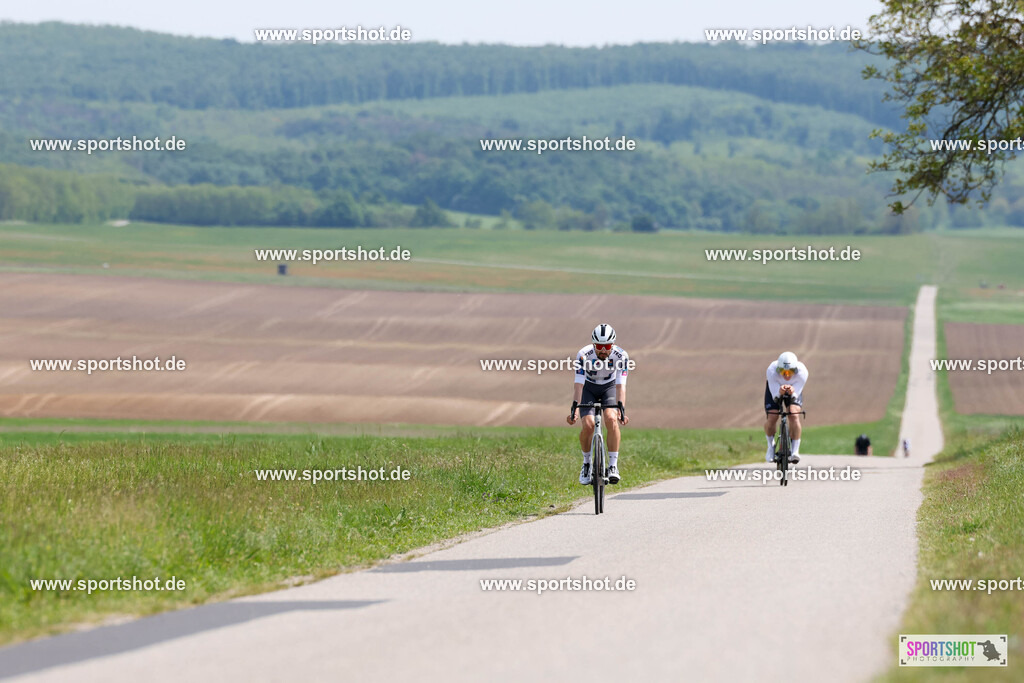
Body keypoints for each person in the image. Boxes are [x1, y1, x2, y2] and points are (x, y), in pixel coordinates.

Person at [566, 324, 630, 485]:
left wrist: (621, 409)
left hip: (608, 388)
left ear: (613, 345)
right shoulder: (583, 354)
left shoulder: (621, 356)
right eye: (599, 347)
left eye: (607, 346)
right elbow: (579, 384)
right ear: (594, 345)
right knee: (588, 425)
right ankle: (586, 463)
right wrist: (574, 408)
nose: (603, 350)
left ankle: (613, 466)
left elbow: (621, 385)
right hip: (589, 388)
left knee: (611, 418)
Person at [764, 351, 808, 464]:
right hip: (775, 389)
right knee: (772, 416)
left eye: (790, 372)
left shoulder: (802, 372)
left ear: (796, 370)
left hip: (794, 389)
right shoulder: (772, 370)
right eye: (783, 372)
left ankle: (795, 450)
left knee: (793, 414)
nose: (787, 375)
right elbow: (775, 397)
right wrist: (780, 392)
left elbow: (795, 396)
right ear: (778, 369)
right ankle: (771, 446)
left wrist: (792, 392)